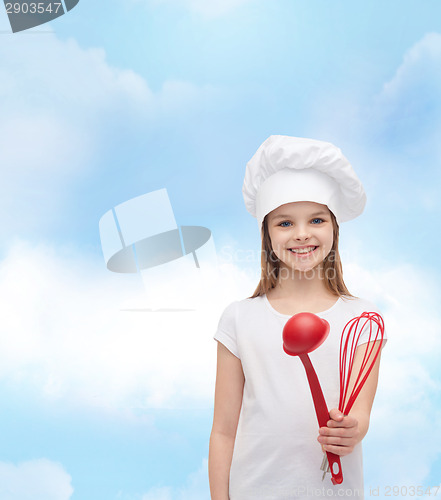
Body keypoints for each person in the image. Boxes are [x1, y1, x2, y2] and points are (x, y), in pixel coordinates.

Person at [208, 136, 387, 500]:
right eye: (285, 223)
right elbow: (224, 431)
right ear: (266, 234)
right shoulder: (239, 319)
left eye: (317, 219)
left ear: (334, 229)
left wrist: (353, 430)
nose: (302, 234)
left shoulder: (363, 319)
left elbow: (361, 414)